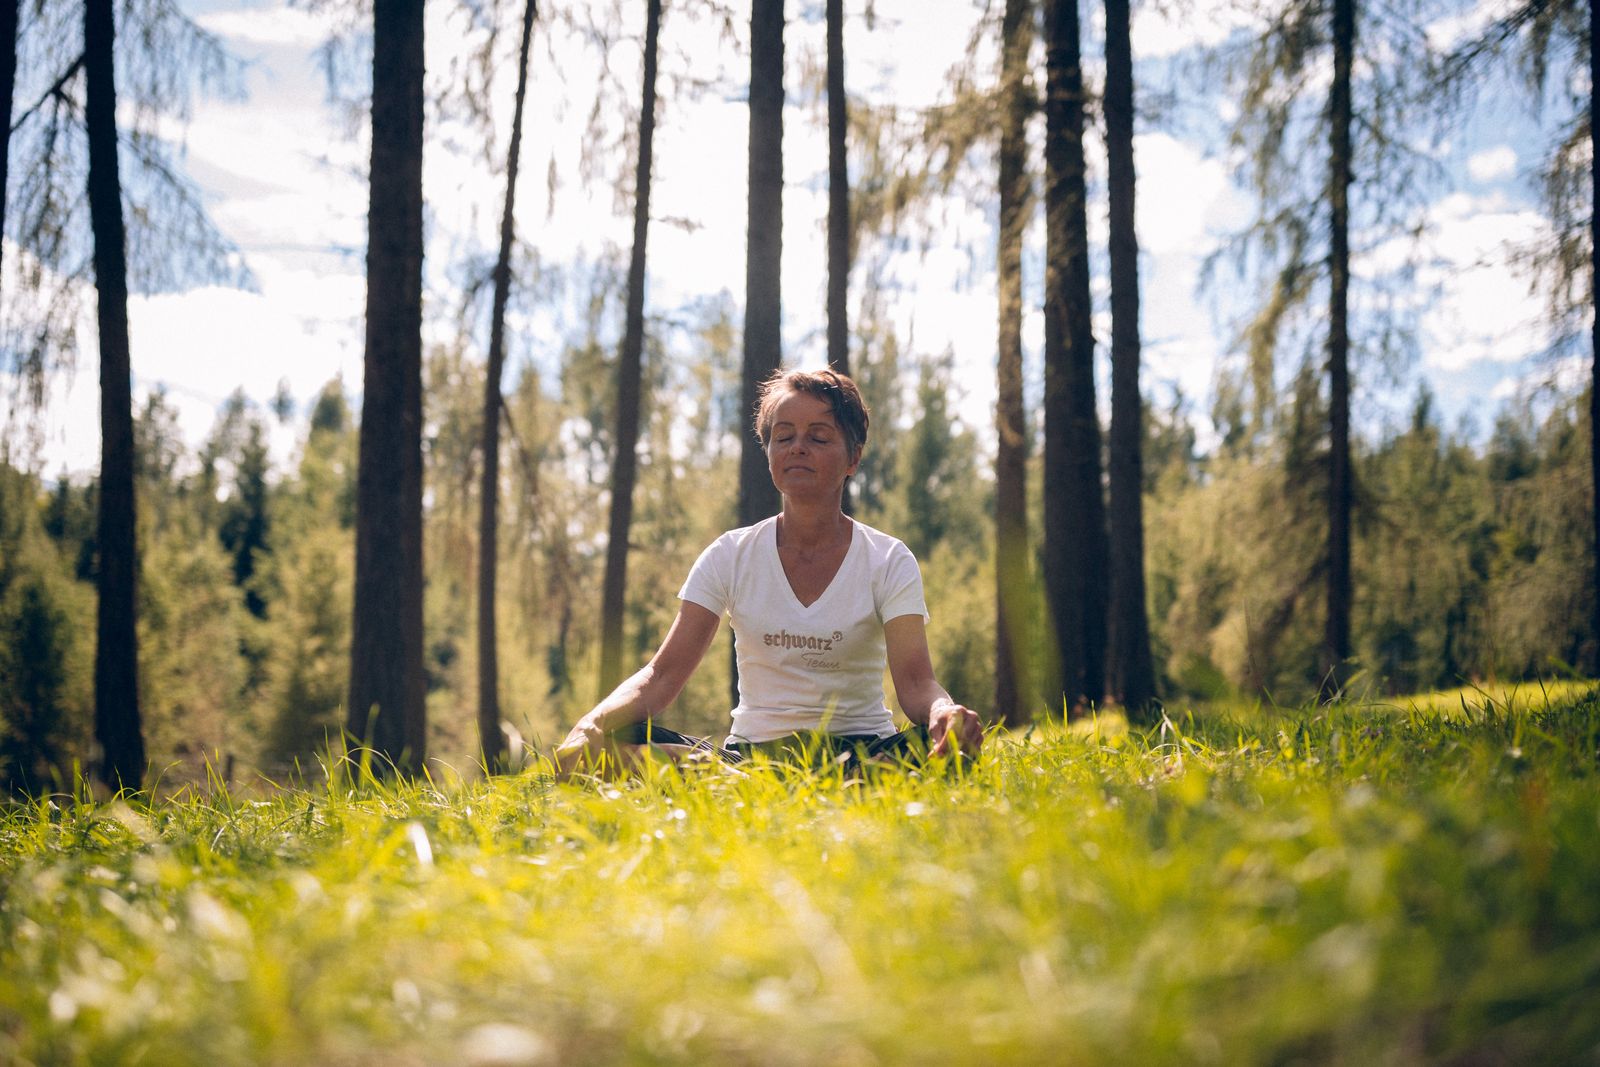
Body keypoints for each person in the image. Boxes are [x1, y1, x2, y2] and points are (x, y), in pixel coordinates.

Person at [553, 367, 983, 777]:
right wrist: (589, 726)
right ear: (770, 453)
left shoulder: (888, 560)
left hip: (865, 751)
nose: (798, 447)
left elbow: (915, 682)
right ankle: (743, 779)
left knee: (943, 754)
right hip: (750, 757)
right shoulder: (730, 555)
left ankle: (793, 783)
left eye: (818, 436)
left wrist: (944, 714)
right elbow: (661, 676)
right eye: (784, 437)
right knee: (605, 746)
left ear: (853, 458)